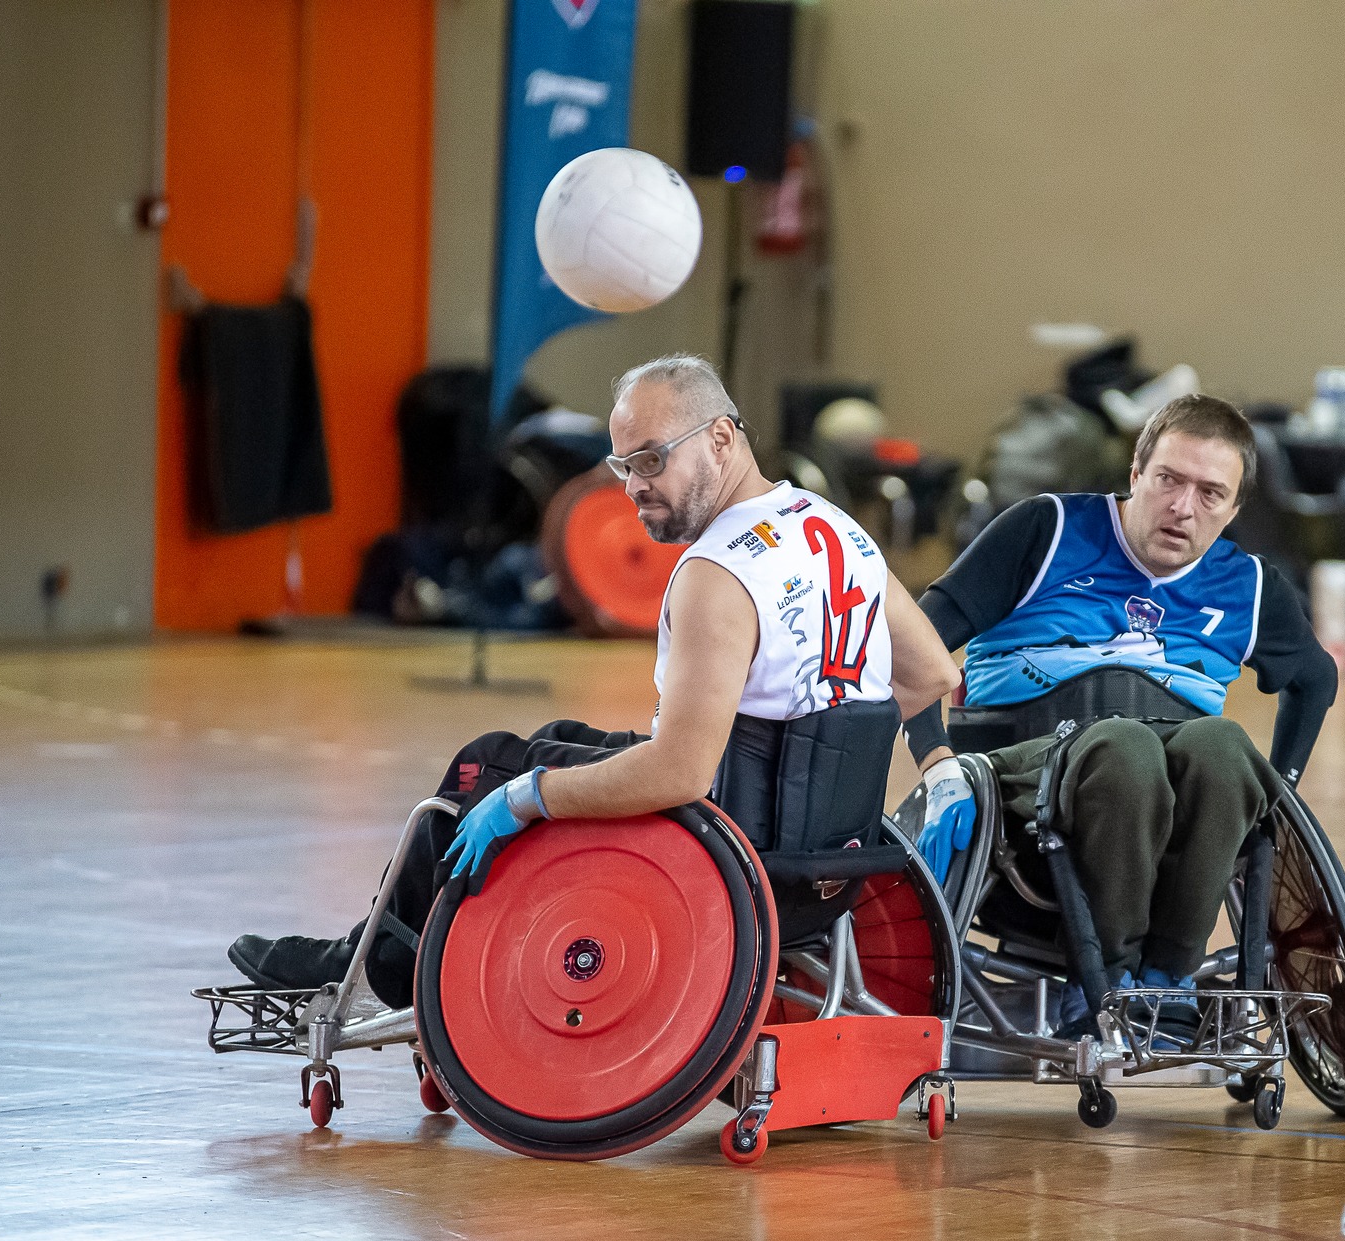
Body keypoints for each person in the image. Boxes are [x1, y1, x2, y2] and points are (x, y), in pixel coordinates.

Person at [228, 354, 959, 1003]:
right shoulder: (837, 529)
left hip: (733, 857)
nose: (635, 486)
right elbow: (929, 672)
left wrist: (528, 796)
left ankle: (377, 965)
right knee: (557, 738)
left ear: (722, 438)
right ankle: (392, 944)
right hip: (829, 867)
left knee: (492, 767)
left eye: (653, 460)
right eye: (624, 466)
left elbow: (680, 772)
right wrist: (860, 758)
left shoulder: (719, 572)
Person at [905, 394, 1339, 1036]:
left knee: (1226, 749)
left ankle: (1166, 979)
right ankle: (1105, 979)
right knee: (1124, 749)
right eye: (1168, 480)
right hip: (1028, 764)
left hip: (1163, 774)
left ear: (1234, 509)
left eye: (1211, 494)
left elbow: (1315, 678)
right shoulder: (1046, 531)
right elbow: (912, 643)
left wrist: (1283, 791)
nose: (1183, 507)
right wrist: (936, 760)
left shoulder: (1247, 586)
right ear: (1136, 473)